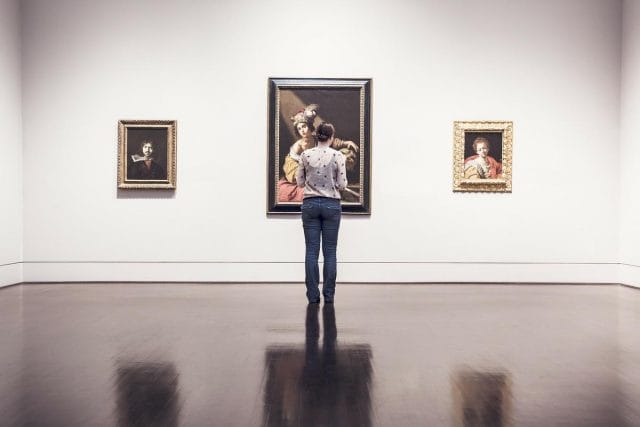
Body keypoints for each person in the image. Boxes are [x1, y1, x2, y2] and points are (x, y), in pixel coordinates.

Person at [296, 122, 347, 304]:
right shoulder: (338, 155)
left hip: (309, 205)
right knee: (330, 252)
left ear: (317, 136)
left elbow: (300, 183)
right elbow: (342, 185)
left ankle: (312, 296)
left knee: (311, 252)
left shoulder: (305, 155)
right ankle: (329, 295)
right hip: (331, 205)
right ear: (331, 137)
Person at [277, 104, 358, 202]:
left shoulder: (317, 138)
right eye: (299, 128)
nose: (302, 130)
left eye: (304, 126)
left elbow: (331, 142)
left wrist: (346, 143)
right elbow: (295, 170)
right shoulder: (298, 146)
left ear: (310, 126)